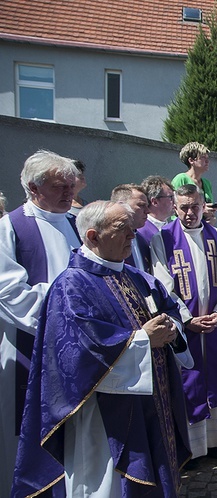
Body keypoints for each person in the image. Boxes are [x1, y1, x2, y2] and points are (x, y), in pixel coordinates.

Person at [13, 200, 192, 496]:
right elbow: (79, 353)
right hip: (102, 416)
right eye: (123, 229)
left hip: (152, 406)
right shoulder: (71, 286)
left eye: (133, 228)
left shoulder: (136, 277)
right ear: (92, 236)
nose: (133, 236)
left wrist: (173, 329)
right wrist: (142, 339)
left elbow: (171, 309)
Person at [0, 150, 81, 494]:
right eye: (60, 186)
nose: (69, 193)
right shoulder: (10, 227)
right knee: (25, 435)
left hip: (77, 351)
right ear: (34, 189)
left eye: (71, 186)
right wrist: (60, 322)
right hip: (29, 345)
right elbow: (8, 291)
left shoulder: (77, 225)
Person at [151, 184, 217, 462]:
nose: (190, 213)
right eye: (184, 207)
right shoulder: (162, 239)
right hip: (185, 328)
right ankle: (194, 448)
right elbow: (163, 284)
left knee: (216, 377)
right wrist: (186, 319)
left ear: (203, 206)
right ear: (175, 208)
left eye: (195, 206)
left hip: (213, 326)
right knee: (191, 381)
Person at [111, 184, 152, 273]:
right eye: (141, 205)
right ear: (121, 205)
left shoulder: (142, 239)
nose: (148, 211)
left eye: (147, 205)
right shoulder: (109, 240)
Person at [140, 175, 175, 242]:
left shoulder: (173, 228)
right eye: (170, 197)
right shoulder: (141, 231)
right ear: (155, 202)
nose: (175, 201)